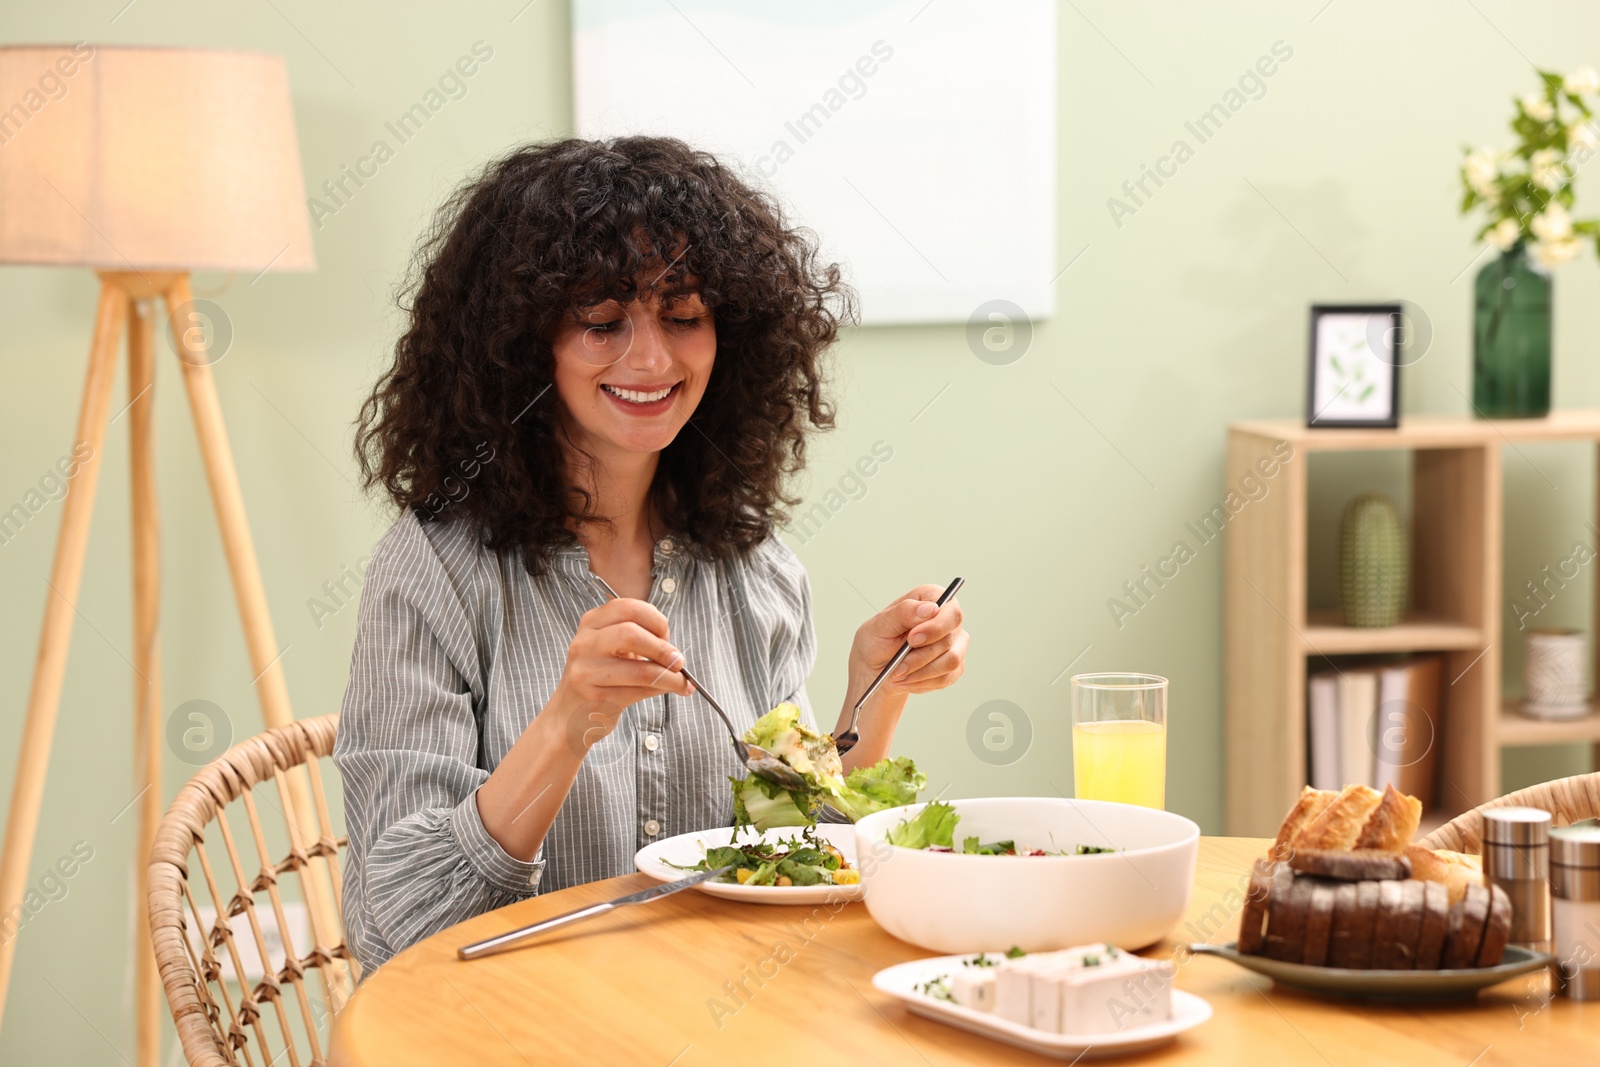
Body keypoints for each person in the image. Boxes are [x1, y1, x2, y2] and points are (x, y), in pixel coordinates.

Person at [335, 136, 968, 972]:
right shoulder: (434, 572)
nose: (651, 358)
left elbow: (799, 858)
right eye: (601, 322)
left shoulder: (754, 565)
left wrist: (871, 694)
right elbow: (394, 928)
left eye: (684, 315)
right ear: (523, 346)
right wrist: (566, 725)